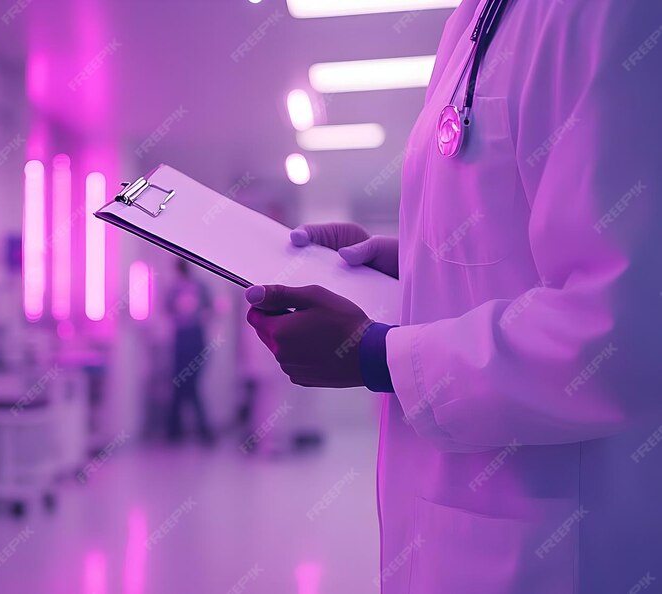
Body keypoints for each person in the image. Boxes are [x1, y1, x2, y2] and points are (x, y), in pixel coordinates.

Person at [244, 1, 662, 592]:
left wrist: (378, 355)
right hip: (461, 527)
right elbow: (505, 242)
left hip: (561, 549)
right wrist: (399, 265)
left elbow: (624, 331)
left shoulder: (603, 12)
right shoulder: (473, 22)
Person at [166, 259, 215, 445]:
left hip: (193, 337)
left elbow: (209, 309)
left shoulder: (197, 288)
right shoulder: (177, 289)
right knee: (181, 385)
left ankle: (179, 430)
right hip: (184, 338)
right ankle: (182, 430)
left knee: (189, 384)